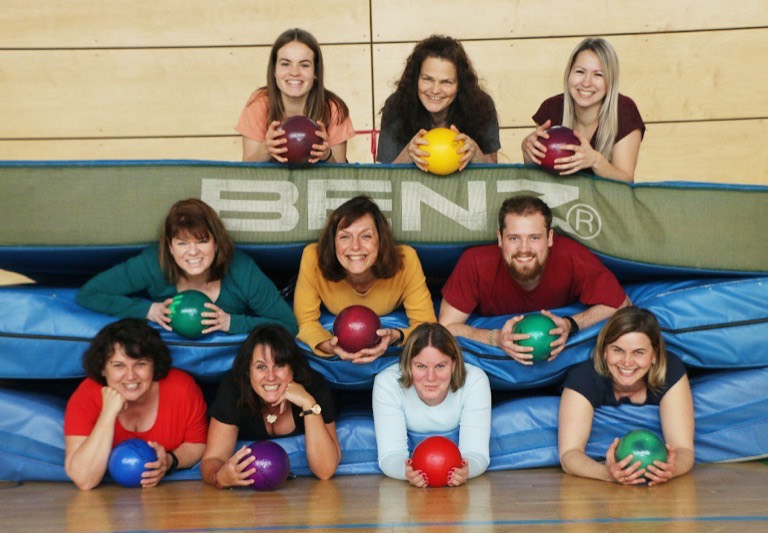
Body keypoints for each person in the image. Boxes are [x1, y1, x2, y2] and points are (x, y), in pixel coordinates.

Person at [439, 195, 629, 364]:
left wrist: (570, 324)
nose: (524, 248)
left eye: (534, 238)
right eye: (514, 238)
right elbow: (447, 327)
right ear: (500, 238)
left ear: (550, 238)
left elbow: (621, 303)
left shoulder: (570, 256)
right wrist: (495, 338)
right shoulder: (475, 263)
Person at [77, 198, 297, 336]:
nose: (193, 253)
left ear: (217, 243)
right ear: (170, 248)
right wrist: (148, 310)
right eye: (182, 243)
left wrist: (232, 322)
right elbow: (89, 294)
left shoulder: (241, 270)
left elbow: (288, 324)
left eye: (202, 241)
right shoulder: (153, 263)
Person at [64, 318, 208, 490]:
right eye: (118, 365)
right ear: (103, 368)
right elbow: (84, 480)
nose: (131, 376)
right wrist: (108, 414)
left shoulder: (182, 389)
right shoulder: (87, 395)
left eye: (140, 364)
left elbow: (197, 444)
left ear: (154, 364)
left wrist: (169, 461)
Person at [558, 307, 694, 485]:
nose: (627, 362)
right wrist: (606, 473)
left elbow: (684, 450)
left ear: (654, 355)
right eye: (618, 350)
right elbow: (569, 455)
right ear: (604, 351)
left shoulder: (671, 369)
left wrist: (671, 469)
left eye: (639, 352)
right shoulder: (584, 377)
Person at [294, 195, 436, 363]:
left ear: (380, 241)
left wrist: (395, 336)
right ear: (333, 242)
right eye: (345, 237)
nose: (355, 246)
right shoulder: (313, 257)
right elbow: (306, 322)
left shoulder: (406, 260)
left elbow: (427, 325)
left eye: (366, 236)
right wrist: (328, 345)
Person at [201, 325, 341, 485]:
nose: (271, 377)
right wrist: (219, 478)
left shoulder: (313, 386)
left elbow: (325, 471)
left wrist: (308, 404)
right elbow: (213, 458)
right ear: (248, 372)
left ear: (292, 369)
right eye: (261, 367)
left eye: (279, 365)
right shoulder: (235, 388)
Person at [372, 322, 491, 487]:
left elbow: (477, 453)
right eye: (421, 366)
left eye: (440, 366)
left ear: (454, 364)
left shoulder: (475, 380)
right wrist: (407, 472)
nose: (430, 377)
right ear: (408, 364)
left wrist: (466, 471)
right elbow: (389, 455)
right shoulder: (387, 383)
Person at [521, 37, 644, 183]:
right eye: (580, 72)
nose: (586, 83)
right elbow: (538, 179)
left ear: (610, 80)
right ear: (569, 74)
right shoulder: (552, 108)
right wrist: (528, 151)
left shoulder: (624, 111)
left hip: (605, 204)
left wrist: (595, 161)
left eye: (598, 74)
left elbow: (626, 182)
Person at [377, 35, 500, 170]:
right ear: (416, 79)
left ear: (459, 85)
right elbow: (385, 179)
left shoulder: (481, 106)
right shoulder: (396, 107)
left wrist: (475, 152)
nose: (435, 90)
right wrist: (408, 153)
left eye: (446, 82)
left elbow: (492, 177)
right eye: (427, 79)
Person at [236, 28, 355, 163]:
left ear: (315, 72)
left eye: (304, 65)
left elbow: (342, 177)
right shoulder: (259, 103)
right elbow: (247, 172)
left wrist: (327, 155)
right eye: (285, 64)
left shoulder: (333, 108)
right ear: (274, 70)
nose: (294, 72)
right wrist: (266, 149)